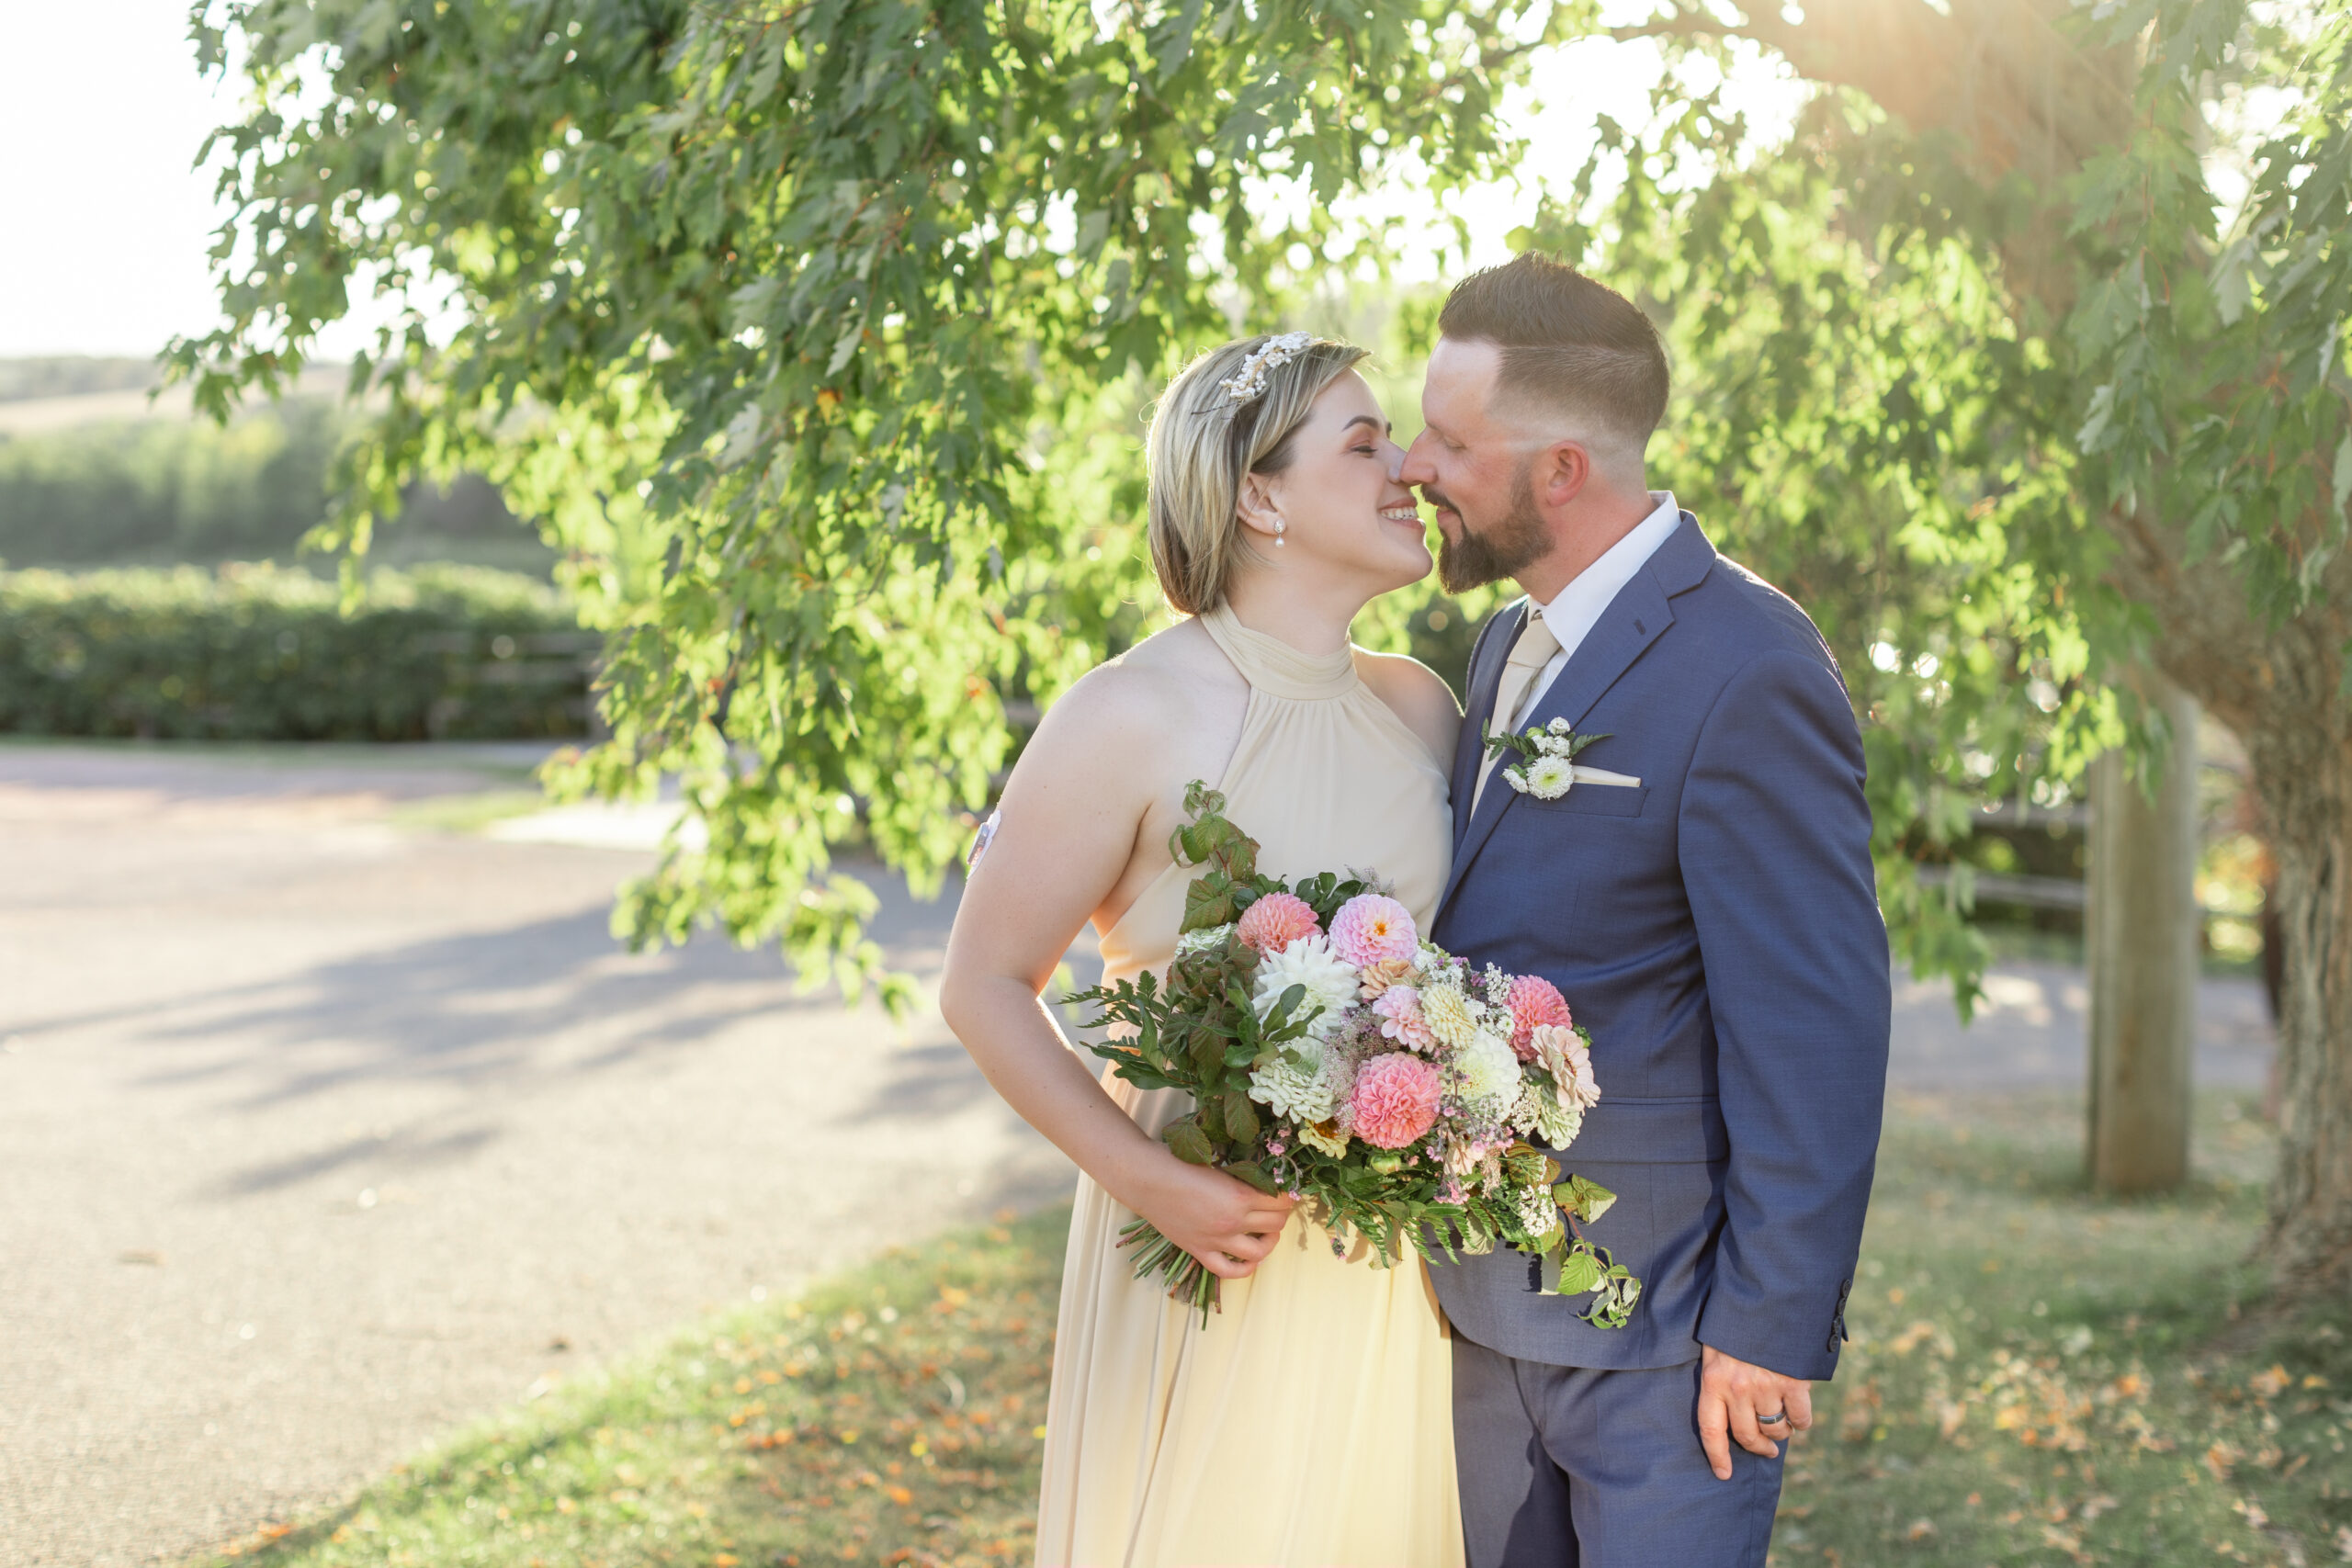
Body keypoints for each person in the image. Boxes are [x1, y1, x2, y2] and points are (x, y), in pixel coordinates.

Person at [940, 332, 1467, 1566]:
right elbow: (982, 987)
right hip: (1205, 1242)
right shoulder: (1127, 712)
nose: (1410, 471)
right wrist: (1157, 1184)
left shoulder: (1424, 712)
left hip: (1382, 1262)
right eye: (1364, 442)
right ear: (1257, 493)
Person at [1406, 253, 1893, 1568]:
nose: (1411, 463)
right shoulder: (1504, 644)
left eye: (1449, 439)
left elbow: (1817, 1028)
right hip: (1482, 1311)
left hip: (1670, 1341)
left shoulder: (1751, 667)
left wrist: (1771, 1323)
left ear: (1559, 469)